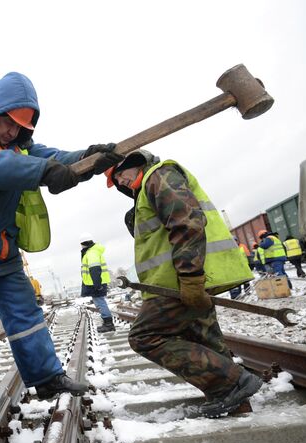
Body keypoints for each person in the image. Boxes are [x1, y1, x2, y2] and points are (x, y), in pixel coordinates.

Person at [0, 71, 122, 417]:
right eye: (8, 123)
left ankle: (46, 377)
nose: (12, 132)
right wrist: (43, 172)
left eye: (20, 128)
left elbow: (57, 158)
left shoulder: (21, 147)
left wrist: (89, 159)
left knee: (26, 314)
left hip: (0, 247)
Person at [106, 150, 262, 418]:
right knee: (203, 335)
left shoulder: (159, 176)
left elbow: (187, 222)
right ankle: (233, 399)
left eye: (120, 174)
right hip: (181, 279)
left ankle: (234, 381)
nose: (120, 181)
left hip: (178, 281)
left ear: (136, 164)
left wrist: (190, 278)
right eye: (116, 179)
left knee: (144, 336)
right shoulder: (147, 188)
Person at [78, 232, 116, 333]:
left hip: (96, 283)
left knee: (100, 302)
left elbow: (95, 269)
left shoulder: (91, 253)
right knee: (99, 301)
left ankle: (109, 324)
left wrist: (97, 284)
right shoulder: (93, 251)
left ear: (83, 243)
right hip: (96, 282)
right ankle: (107, 323)